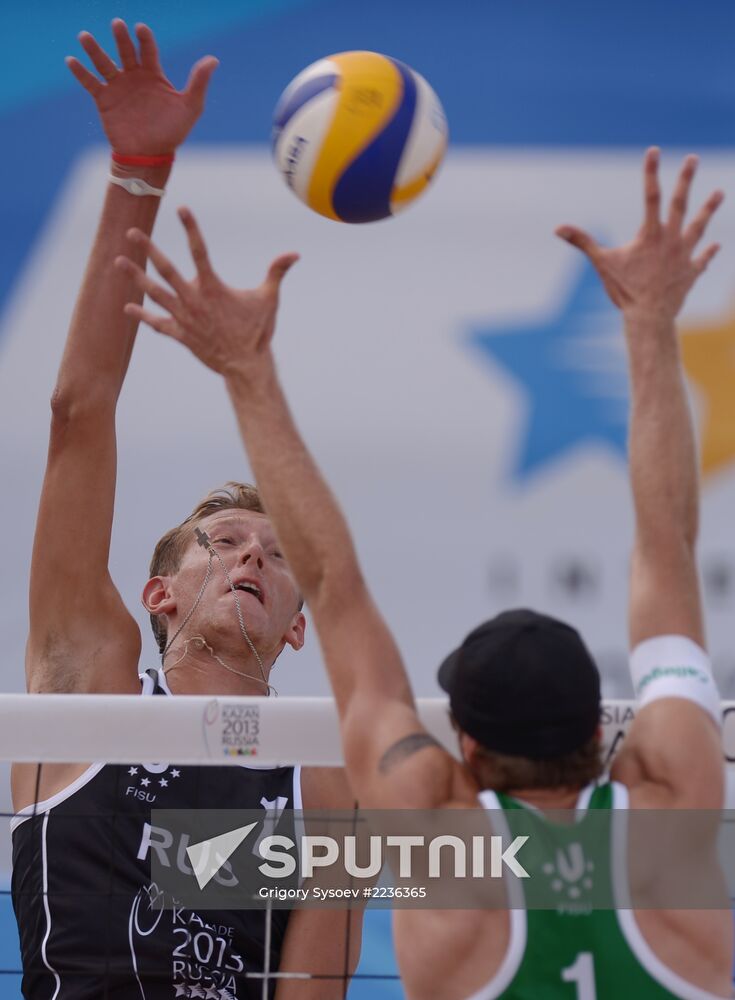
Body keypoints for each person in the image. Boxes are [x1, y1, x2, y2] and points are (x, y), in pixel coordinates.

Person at [121, 146, 735, 999]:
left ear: (468, 749)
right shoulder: (674, 815)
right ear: (601, 737)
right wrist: (649, 323)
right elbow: (666, 544)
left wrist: (247, 373)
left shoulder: (436, 843)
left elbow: (334, 587)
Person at [10, 21, 359, 1000]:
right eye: (224, 540)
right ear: (159, 592)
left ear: (298, 627)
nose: (253, 556)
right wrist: (138, 170)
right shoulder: (85, 693)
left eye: (276, 555)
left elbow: (312, 992)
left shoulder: (322, 782)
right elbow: (77, 417)